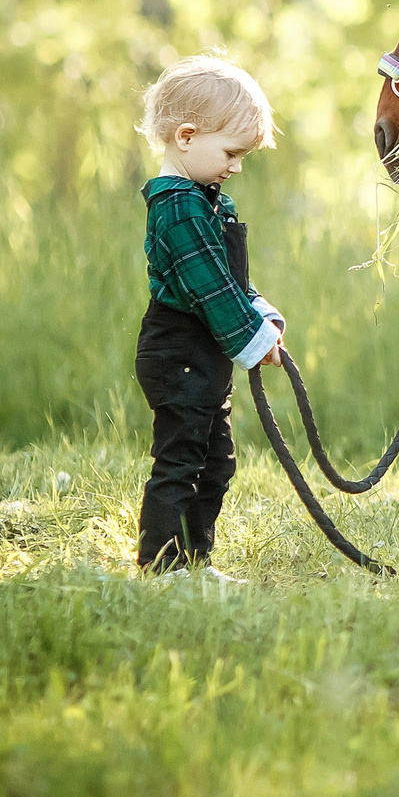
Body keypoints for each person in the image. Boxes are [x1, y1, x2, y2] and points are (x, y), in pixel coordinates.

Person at [133, 53, 285, 577]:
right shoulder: (178, 207)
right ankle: (162, 566)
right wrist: (251, 339)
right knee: (180, 461)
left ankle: (195, 562)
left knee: (215, 464)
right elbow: (211, 290)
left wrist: (262, 315)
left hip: (204, 353)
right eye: (231, 152)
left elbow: (231, 280)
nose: (236, 165)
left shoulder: (205, 200)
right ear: (186, 136)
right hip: (179, 352)